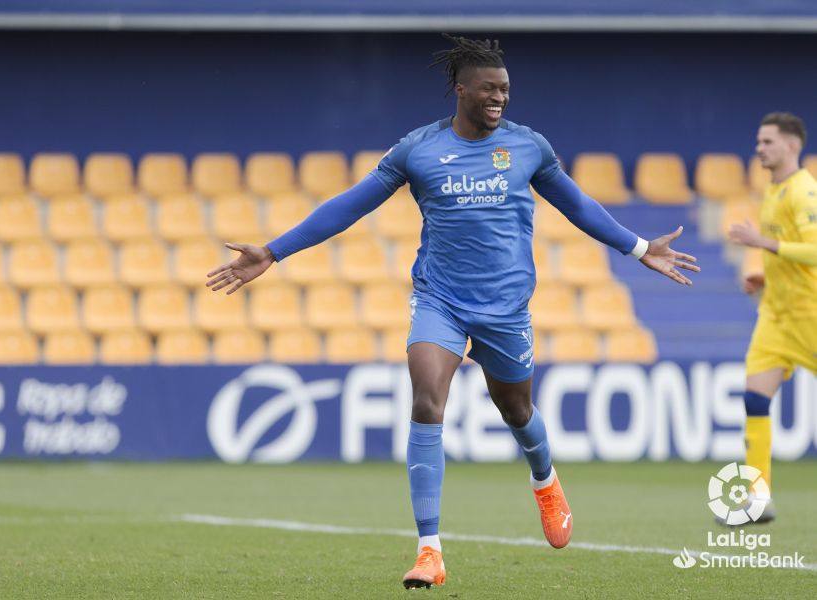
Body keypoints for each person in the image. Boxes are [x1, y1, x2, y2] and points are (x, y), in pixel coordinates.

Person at [206, 34, 699, 589]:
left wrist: (638, 248)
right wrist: (274, 250)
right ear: (460, 89)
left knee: (516, 411)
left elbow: (578, 205)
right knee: (426, 398)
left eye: (505, 90)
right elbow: (349, 205)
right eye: (489, 89)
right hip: (440, 299)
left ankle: (545, 479)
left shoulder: (529, 147)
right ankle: (430, 551)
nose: (500, 99)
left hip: (507, 308)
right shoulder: (417, 150)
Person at [726, 112, 817, 525]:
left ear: (792, 146)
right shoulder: (774, 189)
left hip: (809, 315)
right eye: (758, 141)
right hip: (776, 316)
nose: (759, 148)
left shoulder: (804, 192)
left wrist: (764, 243)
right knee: (755, 398)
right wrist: (766, 273)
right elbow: (790, 252)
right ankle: (758, 499)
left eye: (767, 142)